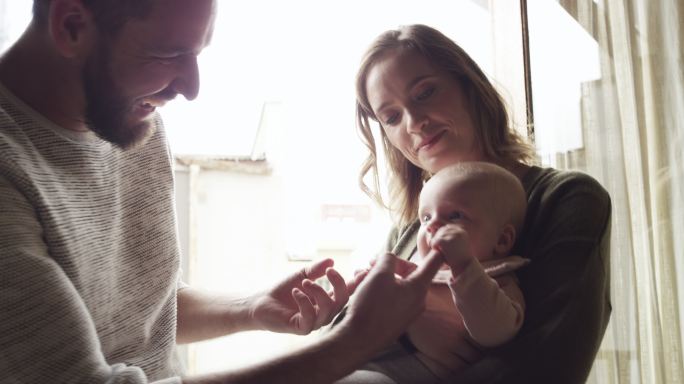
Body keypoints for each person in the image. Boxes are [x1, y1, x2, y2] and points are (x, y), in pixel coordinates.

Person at [0, 2, 445, 383]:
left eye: (196, 54)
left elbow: (143, 308)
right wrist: (352, 341)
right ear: (72, 25)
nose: (190, 88)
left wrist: (251, 307)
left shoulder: (132, 119)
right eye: (169, 54)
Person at [348, 24, 612, 383]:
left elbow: (548, 363)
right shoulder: (409, 230)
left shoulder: (567, 199)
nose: (414, 122)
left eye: (425, 92)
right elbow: (339, 336)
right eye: (392, 117)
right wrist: (413, 324)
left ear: (469, 87)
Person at [337, 161, 530, 383]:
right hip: (359, 359)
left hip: (399, 375)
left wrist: (465, 266)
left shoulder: (497, 278)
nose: (431, 226)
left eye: (455, 215)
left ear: (502, 240)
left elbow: (496, 332)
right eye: (426, 217)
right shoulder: (415, 266)